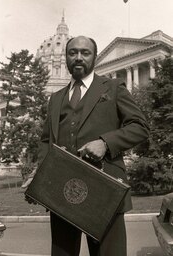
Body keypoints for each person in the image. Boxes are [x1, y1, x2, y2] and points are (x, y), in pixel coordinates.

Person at [25, 35, 149, 256]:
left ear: (94, 57)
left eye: (85, 52)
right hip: (62, 193)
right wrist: (41, 173)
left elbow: (139, 126)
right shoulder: (55, 99)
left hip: (105, 192)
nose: (78, 57)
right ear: (66, 58)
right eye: (73, 53)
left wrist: (106, 143)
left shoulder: (113, 87)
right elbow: (46, 141)